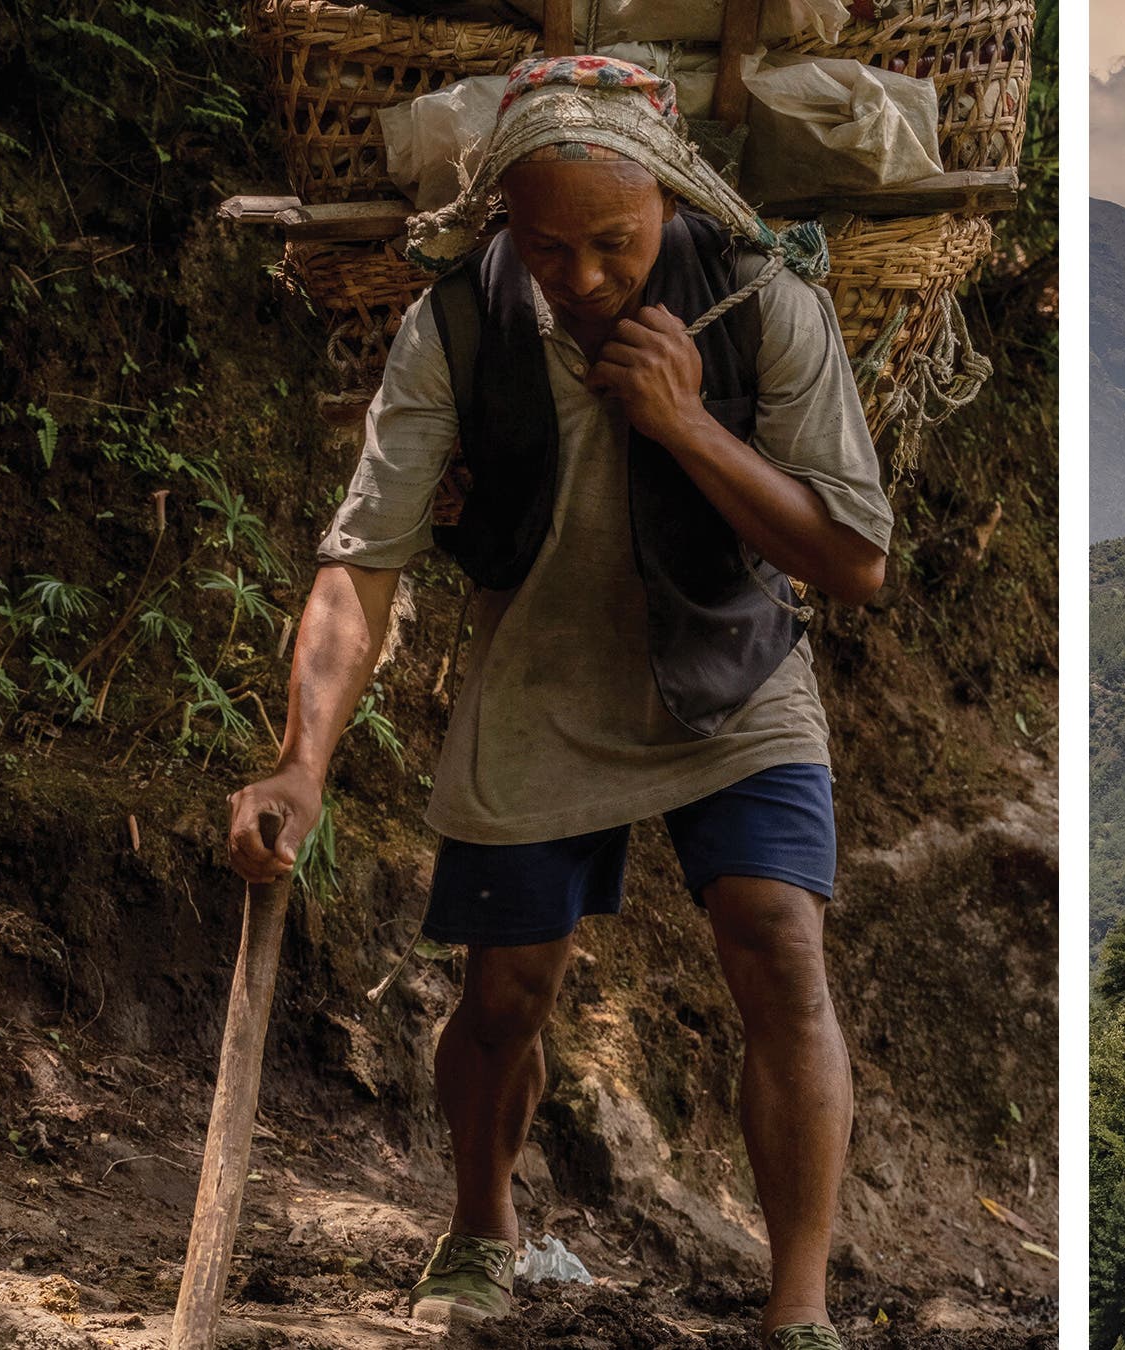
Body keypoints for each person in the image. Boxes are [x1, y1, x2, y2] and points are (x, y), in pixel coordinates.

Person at [223, 54, 889, 1350]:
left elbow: (853, 561)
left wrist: (690, 428)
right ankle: (482, 1225)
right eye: (546, 246)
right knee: (507, 990)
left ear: (673, 201)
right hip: (539, 673)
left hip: (737, 663)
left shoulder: (765, 302)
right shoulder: (456, 326)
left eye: (615, 243)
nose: (581, 276)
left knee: (778, 942)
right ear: (502, 227)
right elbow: (364, 561)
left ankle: (799, 1306)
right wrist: (301, 762)